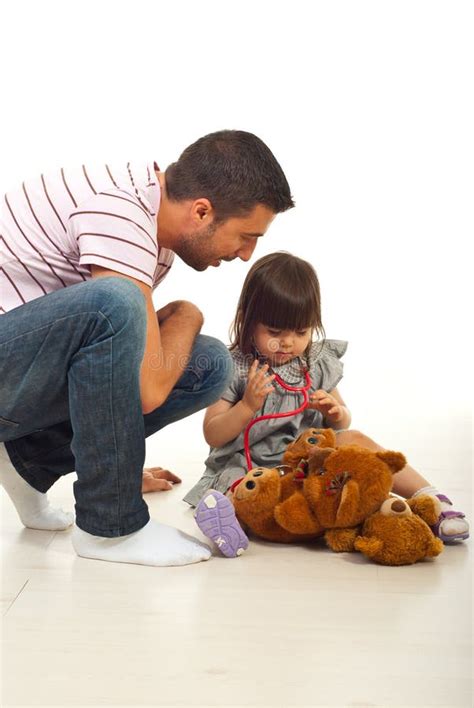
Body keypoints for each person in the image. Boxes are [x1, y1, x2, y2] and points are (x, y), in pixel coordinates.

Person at [0, 130, 294, 567]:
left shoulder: (152, 228)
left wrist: (112, 460)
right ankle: (109, 528)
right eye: (246, 235)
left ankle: (27, 466)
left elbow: (108, 369)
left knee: (208, 363)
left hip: (18, 377)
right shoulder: (123, 214)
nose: (247, 254)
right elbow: (147, 389)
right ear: (201, 211)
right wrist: (187, 313)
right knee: (116, 303)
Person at [185, 252, 470, 557]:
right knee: (240, 482)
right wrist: (247, 406)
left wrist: (334, 413)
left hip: (310, 464)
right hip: (254, 465)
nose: (288, 343)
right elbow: (213, 435)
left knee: (352, 440)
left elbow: (343, 421)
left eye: (301, 332)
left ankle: (432, 501)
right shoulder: (234, 367)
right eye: (275, 332)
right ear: (247, 320)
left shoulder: (315, 362)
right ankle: (227, 520)